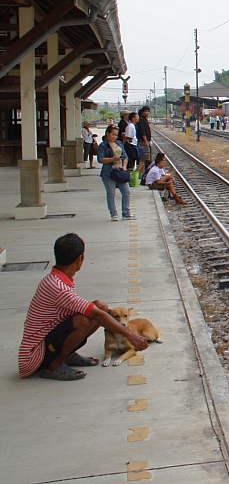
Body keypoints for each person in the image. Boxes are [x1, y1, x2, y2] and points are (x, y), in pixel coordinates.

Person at [19, 233, 149, 380]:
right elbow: (95, 314)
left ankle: (68, 355)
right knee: (84, 319)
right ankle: (55, 364)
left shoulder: (57, 279)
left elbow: (97, 310)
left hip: (48, 342)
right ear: (80, 259)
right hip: (37, 353)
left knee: (100, 306)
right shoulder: (58, 287)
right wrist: (130, 334)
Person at [98, 125, 133, 221]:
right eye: (112, 134)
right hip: (108, 173)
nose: (114, 137)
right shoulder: (103, 146)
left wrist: (124, 166)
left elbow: (125, 156)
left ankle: (126, 213)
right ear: (107, 134)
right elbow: (100, 159)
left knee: (126, 192)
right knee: (111, 194)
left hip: (120, 172)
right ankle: (114, 214)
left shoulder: (119, 143)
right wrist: (112, 159)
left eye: (116, 135)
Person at [136, 106, 152, 177]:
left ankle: (142, 173)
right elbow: (142, 131)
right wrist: (145, 141)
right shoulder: (142, 120)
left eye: (148, 111)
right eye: (146, 111)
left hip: (145, 141)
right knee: (143, 158)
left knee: (144, 159)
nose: (147, 113)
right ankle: (140, 173)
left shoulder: (144, 119)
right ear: (142, 112)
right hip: (143, 142)